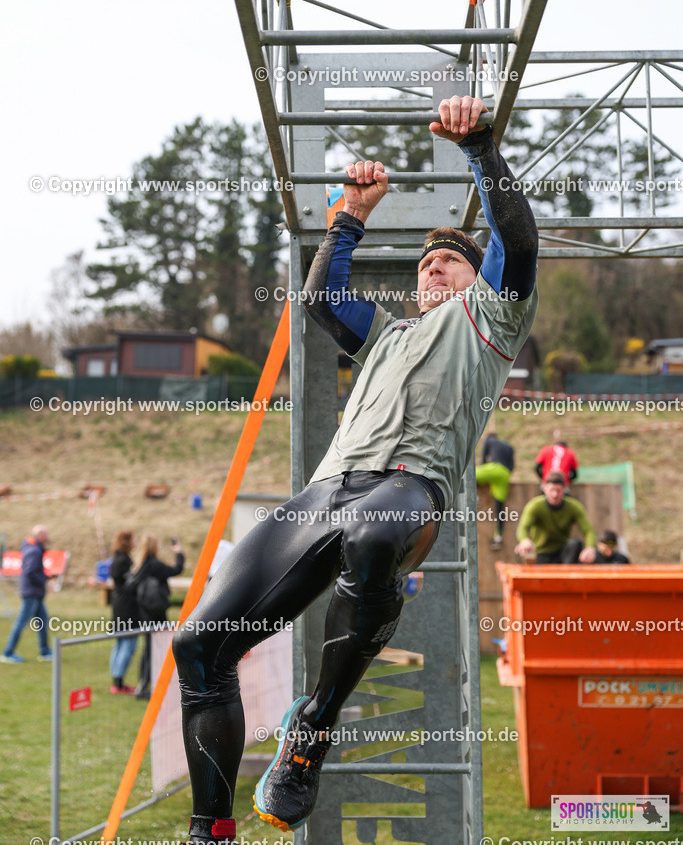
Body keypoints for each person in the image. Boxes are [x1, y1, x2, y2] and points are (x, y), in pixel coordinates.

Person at [172, 95, 539, 845]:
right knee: (198, 646)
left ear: (479, 278)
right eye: (425, 262)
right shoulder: (388, 334)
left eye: (450, 260)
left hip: (409, 487)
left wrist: (479, 148)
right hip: (324, 493)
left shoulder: (491, 318)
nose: (434, 266)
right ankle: (209, 829)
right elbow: (321, 298)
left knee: (374, 541)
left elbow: (516, 237)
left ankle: (312, 727)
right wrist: (348, 212)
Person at [133, 534, 184, 700]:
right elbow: (176, 569)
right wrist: (178, 552)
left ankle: (143, 682)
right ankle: (152, 684)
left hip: (145, 611)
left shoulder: (142, 564)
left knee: (148, 648)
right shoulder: (155, 565)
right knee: (157, 648)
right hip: (157, 612)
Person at [515, 472, 597, 564]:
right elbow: (523, 528)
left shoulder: (573, 507)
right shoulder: (535, 506)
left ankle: (567, 576)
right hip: (541, 553)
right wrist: (525, 540)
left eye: (558, 490)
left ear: (564, 489)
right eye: (552, 490)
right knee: (522, 550)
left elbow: (589, 531)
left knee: (575, 544)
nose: (555, 494)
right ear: (545, 488)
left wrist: (590, 547)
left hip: (563, 553)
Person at [1, 525, 53, 663]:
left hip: (35, 592)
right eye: (46, 533)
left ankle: (45, 651)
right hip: (31, 592)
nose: (48, 536)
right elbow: (29, 572)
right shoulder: (34, 551)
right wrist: (43, 579)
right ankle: (8, 652)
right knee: (21, 622)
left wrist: (44, 578)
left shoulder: (33, 548)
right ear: (40, 535)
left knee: (42, 620)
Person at [109, 529, 140, 694]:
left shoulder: (117, 558)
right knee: (128, 644)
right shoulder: (123, 560)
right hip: (127, 606)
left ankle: (116, 681)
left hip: (119, 604)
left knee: (119, 643)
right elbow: (129, 584)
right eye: (134, 539)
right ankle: (119, 683)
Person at [476, 431, 515, 548]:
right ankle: (498, 537)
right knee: (499, 507)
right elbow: (512, 465)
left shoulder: (489, 440)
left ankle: (475, 497)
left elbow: (483, 460)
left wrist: (484, 475)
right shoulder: (508, 445)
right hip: (505, 474)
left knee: (471, 474)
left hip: (494, 468)